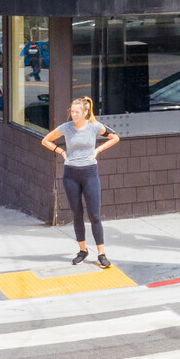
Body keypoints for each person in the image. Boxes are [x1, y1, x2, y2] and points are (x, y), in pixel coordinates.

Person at [40, 97, 119, 268]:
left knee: (94, 215)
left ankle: (102, 254)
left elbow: (114, 137)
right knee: (77, 214)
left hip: (90, 173)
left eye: (76, 112)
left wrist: (98, 150)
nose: (73, 114)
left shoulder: (94, 126)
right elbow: (46, 140)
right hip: (71, 175)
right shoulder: (66, 128)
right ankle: (83, 250)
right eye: (72, 112)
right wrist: (60, 151)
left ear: (85, 112)